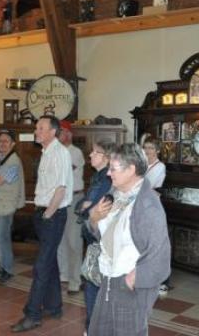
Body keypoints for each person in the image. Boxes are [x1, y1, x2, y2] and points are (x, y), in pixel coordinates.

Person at [87, 143, 171, 336]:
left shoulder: (148, 204)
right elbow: (102, 235)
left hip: (128, 285)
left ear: (131, 169)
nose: (108, 173)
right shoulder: (117, 195)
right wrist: (94, 218)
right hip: (108, 279)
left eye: (113, 169)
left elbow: (160, 253)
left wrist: (134, 278)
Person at [11, 115, 73, 333]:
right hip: (45, 215)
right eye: (37, 127)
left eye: (40, 128)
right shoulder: (47, 152)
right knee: (50, 262)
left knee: (41, 266)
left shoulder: (60, 153)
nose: (36, 131)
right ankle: (54, 307)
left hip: (52, 216)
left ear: (53, 132)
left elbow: (61, 188)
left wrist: (47, 214)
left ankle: (32, 314)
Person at [76, 139, 115, 336]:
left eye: (95, 152)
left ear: (106, 158)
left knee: (94, 287)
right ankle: (92, 328)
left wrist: (86, 209)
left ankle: (93, 329)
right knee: (92, 284)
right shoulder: (97, 177)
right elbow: (82, 204)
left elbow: (92, 208)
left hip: (99, 241)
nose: (90, 155)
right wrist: (85, 208)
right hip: (92, 239)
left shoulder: (106, 179)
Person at [0, 129, 25, 284]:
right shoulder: (2, 158)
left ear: (13, 144)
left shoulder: (13, 161)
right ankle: (3, 265)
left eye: (5, 141)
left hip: (5, 204)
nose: (2, 144)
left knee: (1, 238)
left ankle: (7, 269)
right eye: (0, 141)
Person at [57, 120, 85, 295]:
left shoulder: (75, 152)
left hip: (74, 199)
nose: (58, 135)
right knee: (61, 240)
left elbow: (63, 171)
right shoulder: (56, 151)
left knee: (74, 241)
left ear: (68, 134)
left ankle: (76, 280)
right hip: (60, 200)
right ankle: (64, 275)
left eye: (61, 132)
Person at [143, 136, 169, 297]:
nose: (147, 151)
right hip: (142, 208)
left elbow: (154, 189)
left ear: (158, 150)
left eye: (151, 148)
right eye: (145, 147)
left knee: (155, 246)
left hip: (152, 209)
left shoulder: (160, 167)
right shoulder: (142, 164)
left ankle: (162, 282)